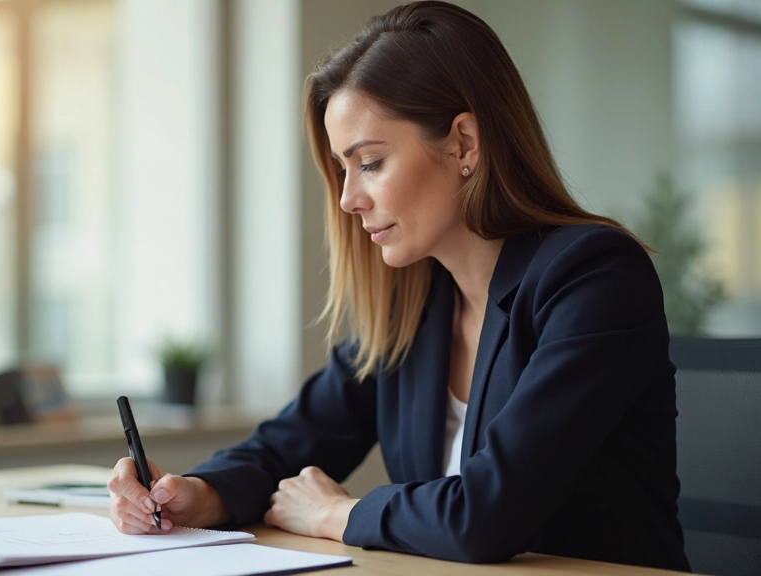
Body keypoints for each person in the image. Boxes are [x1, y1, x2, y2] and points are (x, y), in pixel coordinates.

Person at [107, 1, 691, 571]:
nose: (347, 199)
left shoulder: (593, 277)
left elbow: (488, 513)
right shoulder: (415, 304)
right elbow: (286, 446)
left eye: (370, 162)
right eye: (342, 168)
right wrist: (195, 494)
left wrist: (338, 513)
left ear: (464, 143)